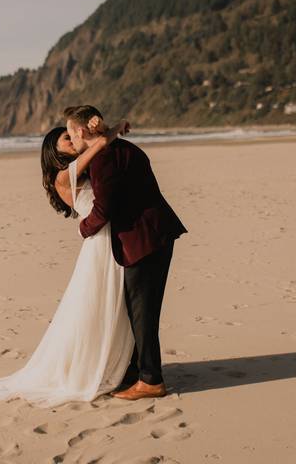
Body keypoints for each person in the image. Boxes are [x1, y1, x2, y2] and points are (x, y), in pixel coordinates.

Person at [0, 119, 134, 407]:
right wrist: (106, 132)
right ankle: (91, 367)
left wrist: (114, 127)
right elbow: (98, 144)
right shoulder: (63, 177)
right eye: (67, 138)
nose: (74, 140)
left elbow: (98, 148)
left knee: (110, 306)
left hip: (109, 238)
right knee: (93, 306)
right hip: (100, 244)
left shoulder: (85, 169)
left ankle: (116, 363)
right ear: (54, 150)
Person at [64, 105, 188, 401]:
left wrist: (83, 229)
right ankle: (136, 371)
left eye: (70, 133)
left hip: (143, 239)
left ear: (81, 131)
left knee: (142, 311)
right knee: (138, 309)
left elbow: (104, 209)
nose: (71, 138)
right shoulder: (125, 148)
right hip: (155, 233)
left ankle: (151, 380)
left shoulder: (103, 159)